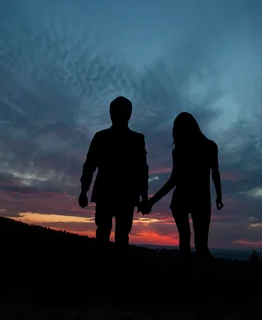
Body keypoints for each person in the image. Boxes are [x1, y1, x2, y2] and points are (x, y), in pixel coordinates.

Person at [140, 112, 223, 261]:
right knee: (200, 245)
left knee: (187, 241)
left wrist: (151, 202)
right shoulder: (209, 146)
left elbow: (173, 180)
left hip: (186, 199)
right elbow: (214, 173)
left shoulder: (181, 150)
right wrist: (219, 195)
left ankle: (187, 271)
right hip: (200, 199)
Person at [78, 96, 149, 255]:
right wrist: (143, 197)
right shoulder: (134, 139)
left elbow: (142, 170)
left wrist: (84, 191)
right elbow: (142, 171)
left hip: (115, 194)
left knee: (109, 234)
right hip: (122, 194)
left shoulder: (103, 137)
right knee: (114, 235)